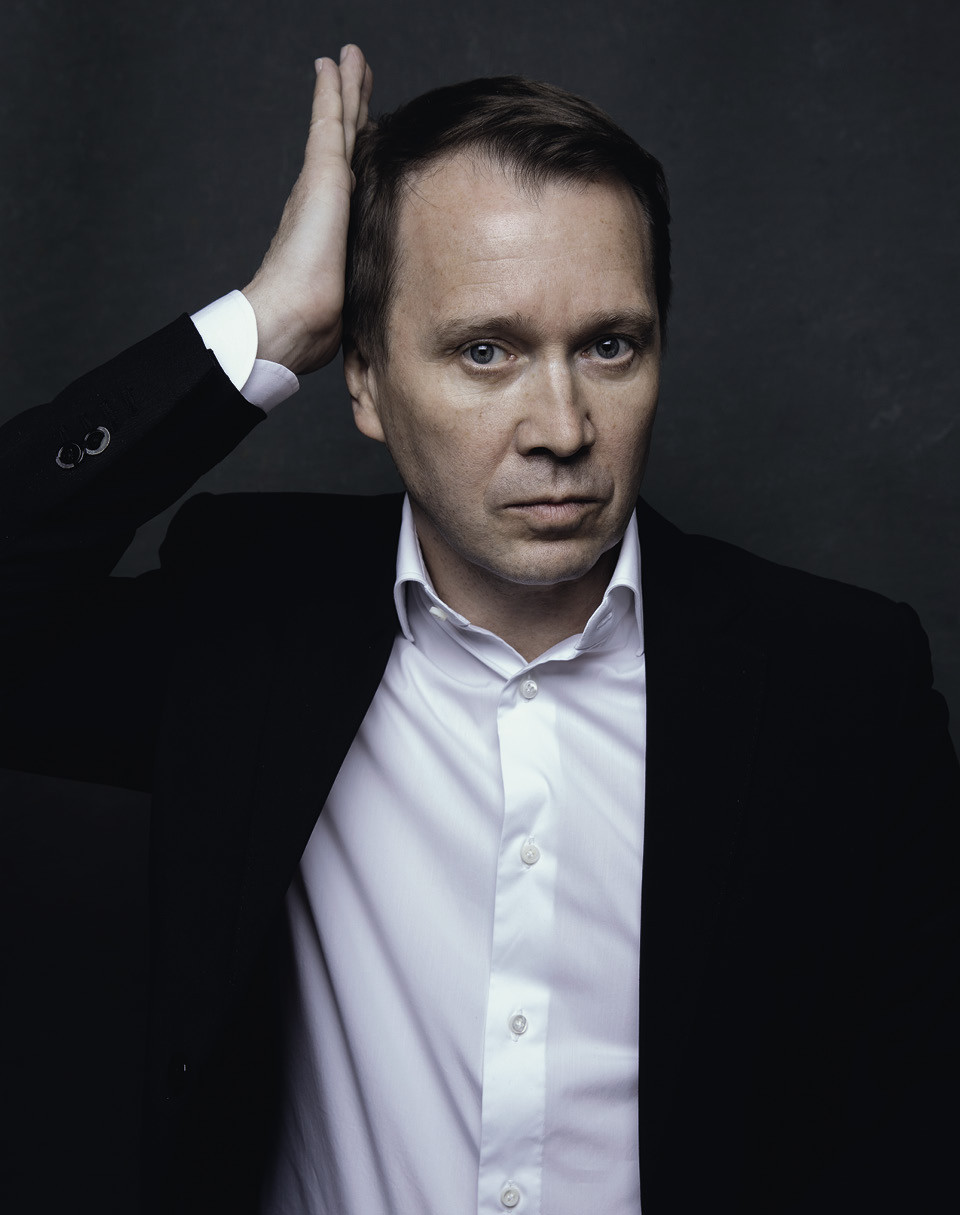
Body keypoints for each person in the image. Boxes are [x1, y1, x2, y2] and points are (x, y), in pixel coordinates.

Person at [1, 43, 957, 1215]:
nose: (561, 426)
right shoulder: (253, 627)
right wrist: (266, 326)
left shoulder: (843, 686)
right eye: (485, 351)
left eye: (610, 345)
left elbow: (912, 1130)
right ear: (364, 380)